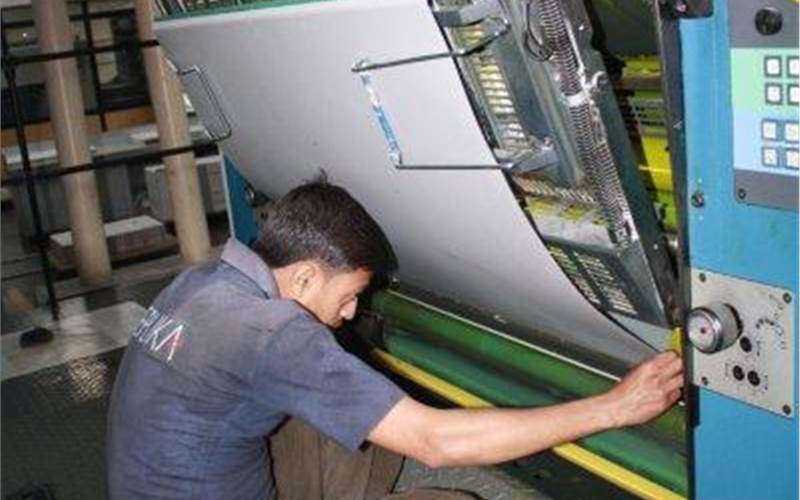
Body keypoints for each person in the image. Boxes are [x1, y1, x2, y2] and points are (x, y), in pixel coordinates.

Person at [107, 181, 683, 500]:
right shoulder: (274, 336)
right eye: (350, 293)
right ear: (305, 274)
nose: (353, 311)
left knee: (362, 409)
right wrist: (614, 407)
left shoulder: (203, 281)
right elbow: (435, 444)